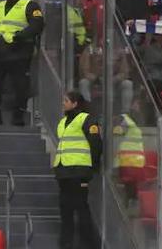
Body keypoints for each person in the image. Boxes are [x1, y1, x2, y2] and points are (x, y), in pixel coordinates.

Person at [0, 0, 45, 125]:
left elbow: (37, 25)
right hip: (1, 51)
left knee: (20, 84)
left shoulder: (30, 5)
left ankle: (18, 115)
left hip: (20, 51)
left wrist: (18, 37)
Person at [53, 91, 102, 249]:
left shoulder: (86, 119)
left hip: (79, 171)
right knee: (65, 208)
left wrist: (93, 166)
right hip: (64, 172)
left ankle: (88, 243)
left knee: (81, 207)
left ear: (75, 103)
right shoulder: (63, 122)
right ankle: (66, 243)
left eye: (66, 101)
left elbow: (95, 144)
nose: (63, 103)